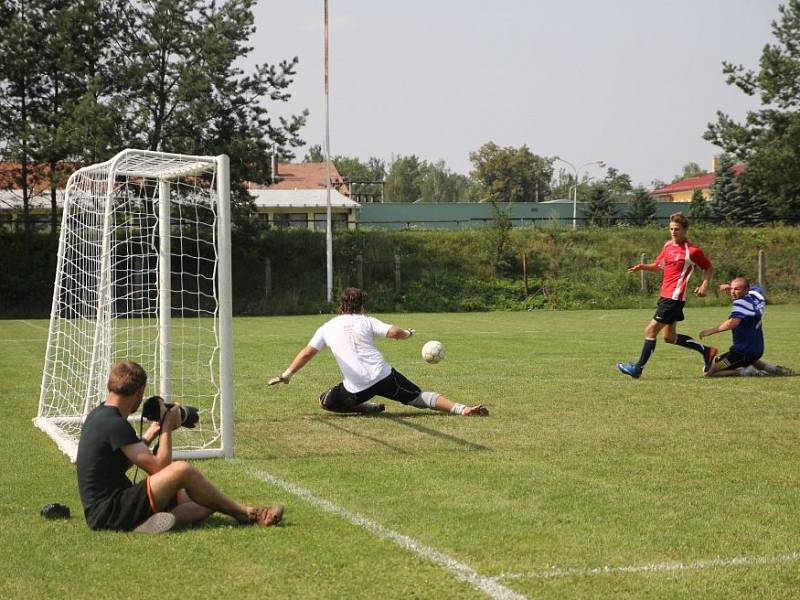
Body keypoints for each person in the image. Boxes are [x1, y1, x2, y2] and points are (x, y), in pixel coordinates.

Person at [76, 361, 284, 533]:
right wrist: (167, 425)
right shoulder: (115, 424)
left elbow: (122, 459)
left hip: (109, 508)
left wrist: (153, 432)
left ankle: (154, 523)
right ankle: (248, 513)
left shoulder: (101, 415)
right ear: (139, 392)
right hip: (110, 511)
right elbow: (160, 468)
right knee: (182, 470)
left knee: (207, 499)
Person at [268, 287, 488, 417]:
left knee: (325, 401)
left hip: (355, 388)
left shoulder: (327, 327)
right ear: (361, 305)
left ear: (341, 306)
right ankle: (462, 409)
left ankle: (364, 407)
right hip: (384, 377)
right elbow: (393, 332)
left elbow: (307, 353)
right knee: (418, 397)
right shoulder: (366, 321)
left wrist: (286, 375)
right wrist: (408, 334)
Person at [617, 212, 717, 379]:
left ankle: (637, 368)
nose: (673, 232)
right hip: (666, 296)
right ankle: (707, 351)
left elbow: (708, 267)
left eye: (677, 229)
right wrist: (643, 267)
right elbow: (659, 265)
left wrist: (705, 284)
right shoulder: (668, 246)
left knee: (650, 330)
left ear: (685, 230)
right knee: (669, 337)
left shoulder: (692, 251)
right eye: (671, 229)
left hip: (674, 298)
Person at [699, 277, 793, 377]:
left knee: (708, 371)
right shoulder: (754, 296)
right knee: (749, 360)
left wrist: (710, 331)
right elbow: (757, 288)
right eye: (732, 289)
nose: (732, 292)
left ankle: (745, 372)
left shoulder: (741, 303)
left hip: (741, 354)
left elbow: (732, 323)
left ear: (746, 290)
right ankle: (775, 369)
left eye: (736, 289)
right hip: (756, 351)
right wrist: (731, 287)